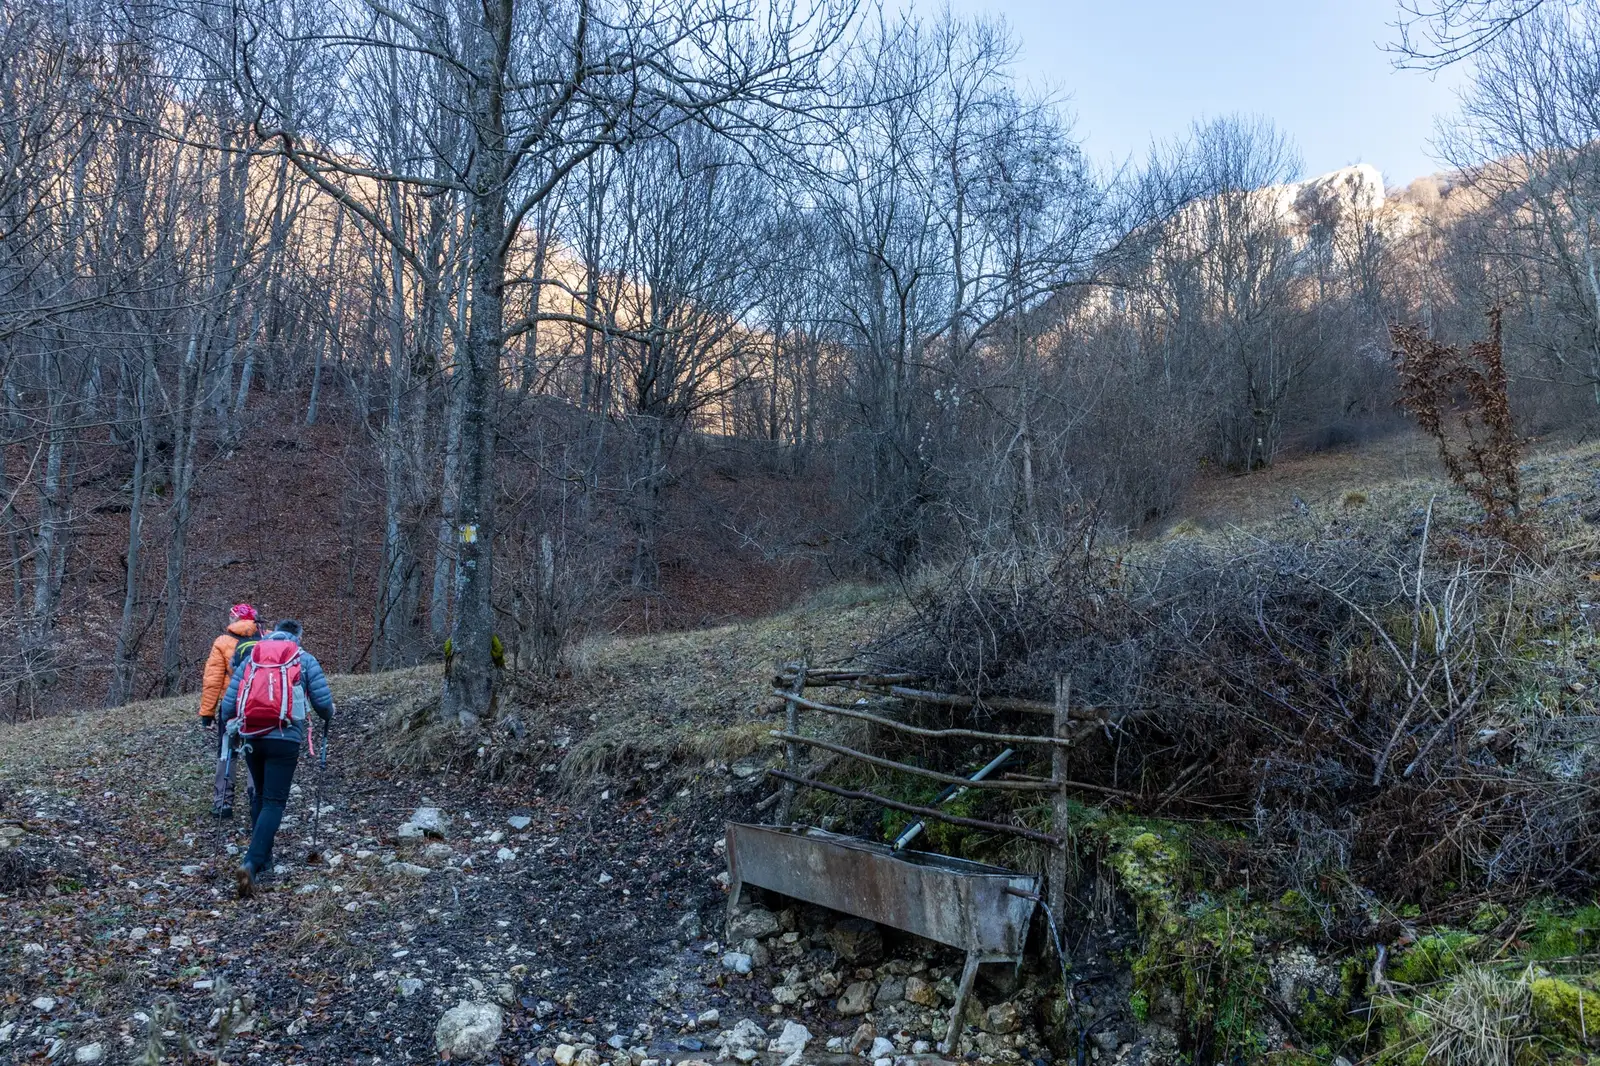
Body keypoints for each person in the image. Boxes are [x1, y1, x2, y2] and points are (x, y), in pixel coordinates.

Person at [216, 619, 335, 898]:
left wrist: (229, 728)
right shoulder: (303, 658)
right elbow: (322, 703)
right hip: (285, 738)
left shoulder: (253, 658)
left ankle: (265, 858)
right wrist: (329, 716)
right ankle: (253, 862)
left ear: (272, 634)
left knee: (259, 795)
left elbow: (229, 704)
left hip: (252, 736)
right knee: (274, 801)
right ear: (298, 636)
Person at [199, 603, 261, 817]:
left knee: (227, 751)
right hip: (260, 705)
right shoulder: (268, 638)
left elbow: (212, 681)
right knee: (256, 751)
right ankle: (256, 798)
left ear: (235, 619)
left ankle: (223, 802)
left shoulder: (223, 642)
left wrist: (207, 713)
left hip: (231, 705)